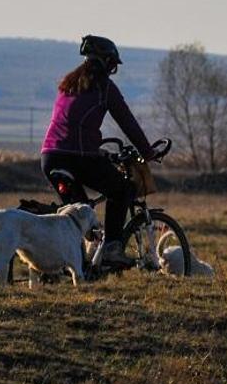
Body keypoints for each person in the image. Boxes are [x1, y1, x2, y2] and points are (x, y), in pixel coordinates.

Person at [41, 35, 155, 267]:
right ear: (106, 62)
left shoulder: (68, 84)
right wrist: (148, 151)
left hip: (50, 156)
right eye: (112, 64)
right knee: (122, 189)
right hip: (78, 157)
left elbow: (72, 126)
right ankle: (113, 248)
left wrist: (99, 151)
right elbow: (127, 121)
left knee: (80, 217)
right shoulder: (104, 87)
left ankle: (77, 264)